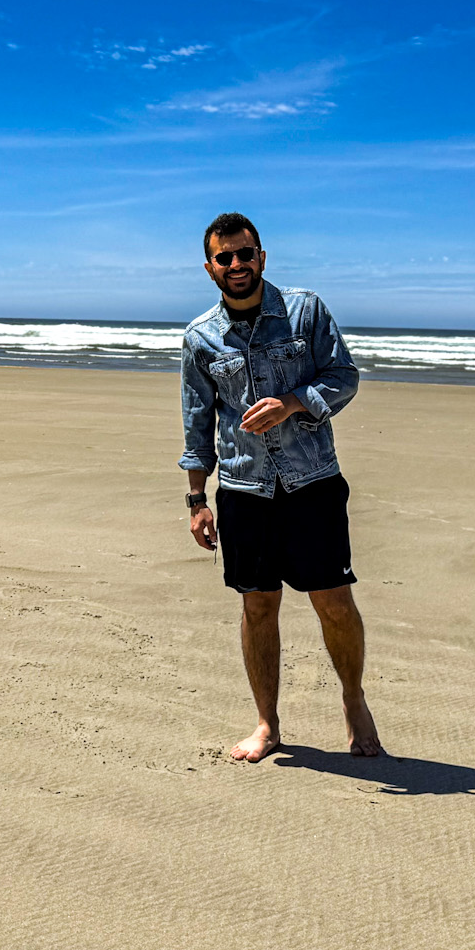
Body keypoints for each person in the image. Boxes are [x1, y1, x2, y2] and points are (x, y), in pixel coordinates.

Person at [179, 211, 382, 761]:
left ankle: (353, 698)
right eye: (226, 257)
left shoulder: (305, 311)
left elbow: (344, 377)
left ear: (262, 257)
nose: (237, 265)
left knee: (334, 602)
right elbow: (197, 422)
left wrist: (293, 402)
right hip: (244, 490)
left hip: (311, 481)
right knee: (258, 606)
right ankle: (267, 723)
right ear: (210, 267)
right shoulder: (200, 337)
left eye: (246, 254)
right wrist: (198, 499)